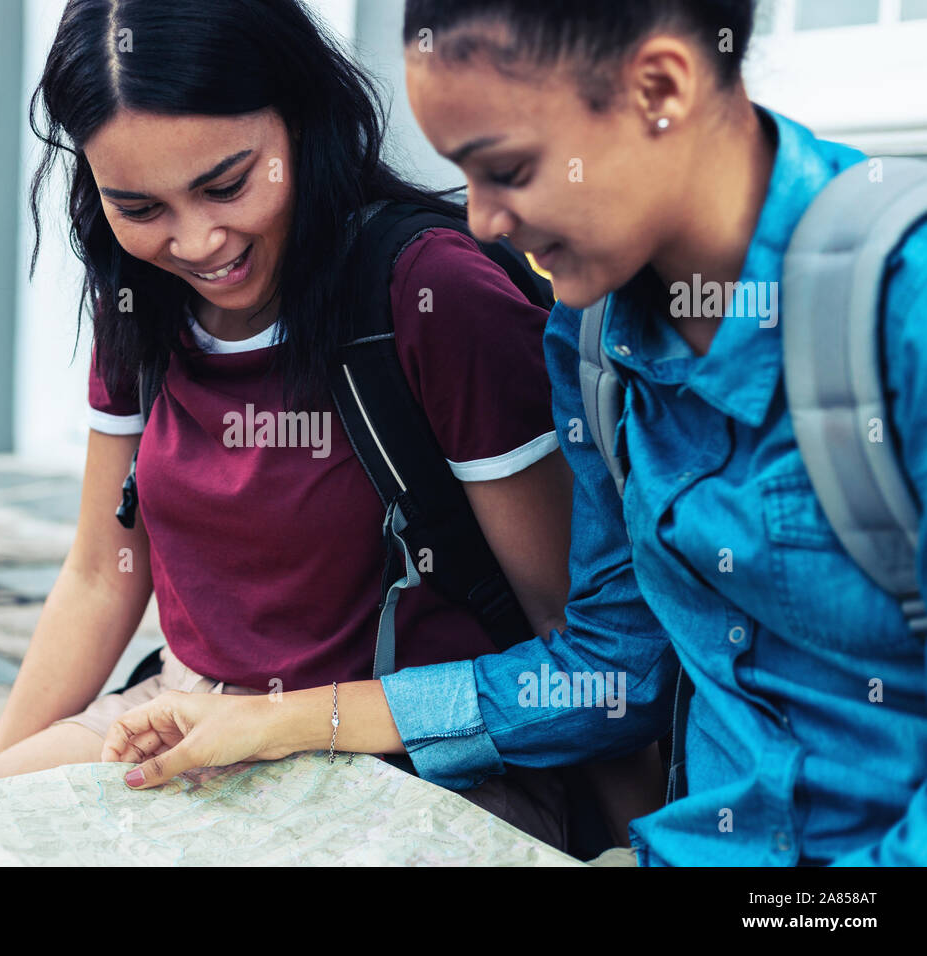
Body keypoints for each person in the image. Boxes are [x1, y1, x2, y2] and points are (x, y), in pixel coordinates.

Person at [101, 0, 927, 866]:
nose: (485, 220)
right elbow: (611, 672)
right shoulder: (596, 341)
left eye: (508, 169)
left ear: (660, 87)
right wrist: (274, 721)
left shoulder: (897, 311)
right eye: (464, 172)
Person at [0, 0, 657, 854]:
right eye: (139, 206)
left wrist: (634, 830)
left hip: (407, 757)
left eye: (227, 184)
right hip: (181, 721)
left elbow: (570, 632)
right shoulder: (138, 296)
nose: (198, 240)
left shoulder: (432, 294)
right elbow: (105, 574)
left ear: (301, 117)